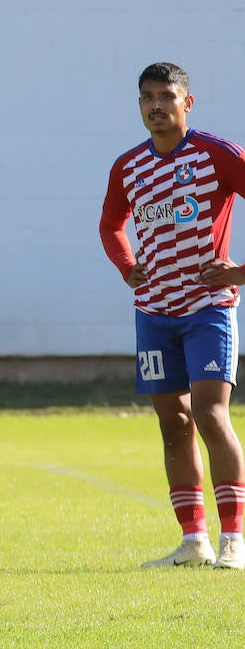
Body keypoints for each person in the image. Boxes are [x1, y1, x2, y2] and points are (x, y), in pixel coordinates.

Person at [99, 61, 245, 571]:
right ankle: (193, 541)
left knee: (210, 413)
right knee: (173, 422)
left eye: (166, 95)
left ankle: (234, 540)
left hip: (208, 308)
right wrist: (127, 267)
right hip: (154, 311)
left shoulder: (217, 155)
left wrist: (240, 273)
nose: (156, 105)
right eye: (146, 97)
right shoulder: (128, 166)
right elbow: (111, 224)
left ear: (188, 101)